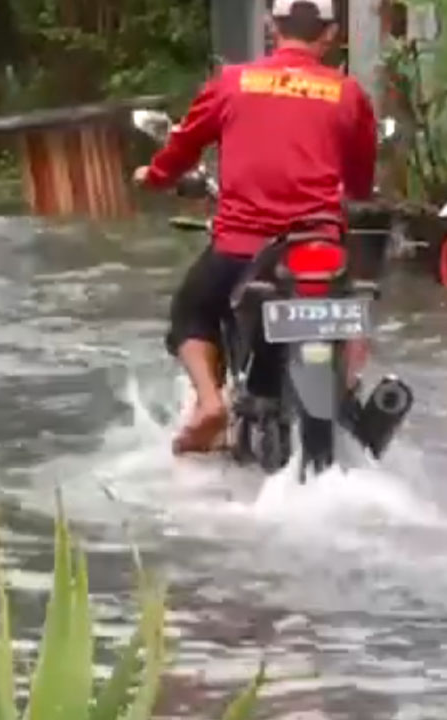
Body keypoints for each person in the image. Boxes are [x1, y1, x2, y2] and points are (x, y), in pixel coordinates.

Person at [132, 0, 378, 455]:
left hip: (242, 248)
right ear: (329, 34)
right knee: (353, 300)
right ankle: (343, 390)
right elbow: (362, 181)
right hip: (319, 245)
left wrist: (156, 175)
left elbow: (183, 144)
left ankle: (209, 402)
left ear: (271, 26)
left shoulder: (232, 82)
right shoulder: (349, 93)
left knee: (191, 309)